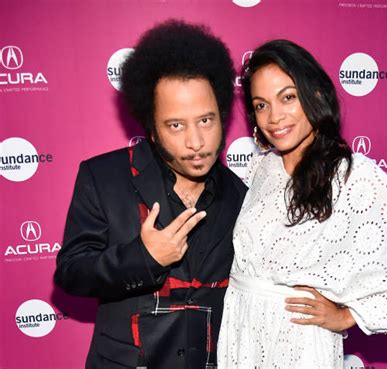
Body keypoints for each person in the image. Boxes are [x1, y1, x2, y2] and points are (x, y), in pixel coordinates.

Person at [217, 40, 387, 368]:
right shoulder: (260, 167)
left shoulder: (353, 174)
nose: (274, 117)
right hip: (241, 329)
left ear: (316, 95)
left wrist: (349, 316)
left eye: (288, 97)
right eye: (261, 105)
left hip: (298, 339)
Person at [54, 20, 247, 369]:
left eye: (206, 120)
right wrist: (144, 257)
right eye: (176, 125)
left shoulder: (241, 196)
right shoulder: (105, 177)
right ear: (152, 130)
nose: (196, 141)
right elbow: (71, 274)